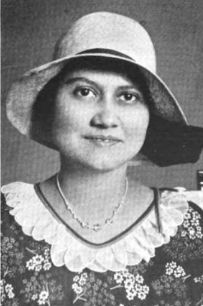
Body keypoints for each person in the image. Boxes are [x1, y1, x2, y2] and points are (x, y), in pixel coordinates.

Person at [1, 11, 203, 306]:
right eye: (84, 92)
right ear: (51, 105)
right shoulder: (6, 220)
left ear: (149, 118)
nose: (106, 118)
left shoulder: (190, 226)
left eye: (128, 96)